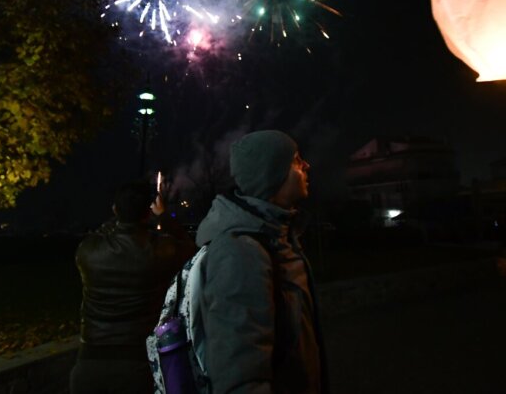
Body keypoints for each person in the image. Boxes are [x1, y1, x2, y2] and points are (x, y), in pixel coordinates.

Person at [194, 130, 328, 393]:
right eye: (296, 160)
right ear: (271, 174)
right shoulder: (240, 253)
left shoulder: (276, 236)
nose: (306, 165)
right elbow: (240, 375)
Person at [70, 178, 196, 394]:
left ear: (114, 210)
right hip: (136, 367)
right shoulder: (160, 250)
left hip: (89, 365)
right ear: (148, 213)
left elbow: (103, 232)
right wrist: (163, 217)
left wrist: (122, 216)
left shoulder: (88, 251)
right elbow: (191, 250)